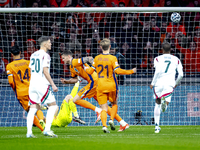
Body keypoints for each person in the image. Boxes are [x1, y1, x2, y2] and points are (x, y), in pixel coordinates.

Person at [61, 50, 130, 132]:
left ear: (69, 56)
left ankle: (98, 111)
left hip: (94, 81)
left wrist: (96, 66)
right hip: (95, 83)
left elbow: (89, 58)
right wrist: (67, 81)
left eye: (63, 58)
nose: (62, 60)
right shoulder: (71, 67)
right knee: (105, 107)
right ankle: (123, 123)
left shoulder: (75, 61)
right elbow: (75, 79)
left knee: (75, 99)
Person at [85, 38, 136, 133]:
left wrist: (85, 68)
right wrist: (131, 71)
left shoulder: (96, 58)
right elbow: (118, 71)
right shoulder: (113, 58)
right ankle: (111, 120)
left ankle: (104, 126)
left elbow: (90, 71)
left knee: (103, 108)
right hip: (111, 85)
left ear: (100, 47)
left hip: (100, 86)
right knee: (114, 104)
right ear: (110, 46)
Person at [6, 45, 45, 133]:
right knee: (37, 107)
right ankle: (42, 119)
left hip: (21, 92)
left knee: (29, 111)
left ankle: (42, 129)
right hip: (32, 89)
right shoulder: (28, 62)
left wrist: (14, 89)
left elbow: (11, 81)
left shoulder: (9, 66)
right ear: (20, 52)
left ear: (11, 54)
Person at [27, 36, 58, 138]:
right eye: (49, 42)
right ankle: (47, 130)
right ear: (44, 44)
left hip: (32, 84)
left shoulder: (33, 55)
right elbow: (45, 71)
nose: (51, 44)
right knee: (53, 106)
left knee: (33, 108)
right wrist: (53, 84)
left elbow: (31, 70)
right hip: (42, 84)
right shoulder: (46, 55)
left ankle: (29, 133)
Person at [150, 42, 183, 133]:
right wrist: (176, 83)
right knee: (164, 104)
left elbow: (157, 72)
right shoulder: (176, 59)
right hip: (169, 83)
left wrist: (152, 83)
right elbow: (181, 74)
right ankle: (164, 105)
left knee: (157, 103)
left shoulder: (157, 59)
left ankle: (156, 127)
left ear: (162, 49)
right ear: (171, 49)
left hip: (159, 83)